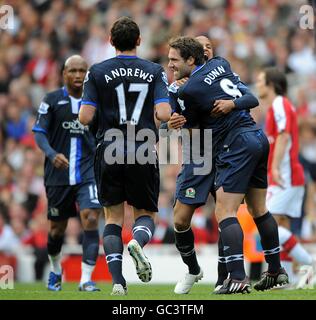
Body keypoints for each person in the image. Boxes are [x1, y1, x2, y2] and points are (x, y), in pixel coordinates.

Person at [167, 36, 288, 294]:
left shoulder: (188, 90)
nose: (170, 65)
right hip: (256, 137)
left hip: (234, 144)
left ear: (191, 59)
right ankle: (276, 270)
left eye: (174, 60)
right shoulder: (220, 64)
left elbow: (195, 129)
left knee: (225, 212)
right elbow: (251, 98)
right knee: (258, 209)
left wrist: (178, 122)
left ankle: (236, 277)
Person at [79, 17, 171, 296]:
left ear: (111, 41)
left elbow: (85, 117)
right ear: (139, 41)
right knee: (146, 215)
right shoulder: (154, 71)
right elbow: (165, 114)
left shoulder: (96, 72)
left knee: (113, 219)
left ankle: (118, 283)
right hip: (142, 147)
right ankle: (138, 244)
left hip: (108, 149)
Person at [32, 55, 102, 292]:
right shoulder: (52, 100)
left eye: (83, 71)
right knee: (56, 230)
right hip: (58, 175)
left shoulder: (94, 103)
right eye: (73, 70)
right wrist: (52, 154)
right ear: (63, 73)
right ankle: (55, 270)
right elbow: (39, 133)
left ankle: (85, 279)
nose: (78, 76)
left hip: (87, 173)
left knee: (91, 218)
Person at [256, 67, 315, 288]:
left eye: (261, 80)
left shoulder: (280, 103)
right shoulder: (279, 105)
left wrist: (276, 169)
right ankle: (287, 276)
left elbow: (283, 134)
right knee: (282, 226)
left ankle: (310, 263)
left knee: (266, 225)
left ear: (271, 84)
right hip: (292, 176)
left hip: (286, 176)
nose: (258, 84)